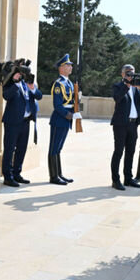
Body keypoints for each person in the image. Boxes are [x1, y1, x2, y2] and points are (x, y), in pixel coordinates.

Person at [110, 65, 140, 190]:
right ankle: (115, 180)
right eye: (128, 74)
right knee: (118, 152)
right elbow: (117, 98)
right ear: (122, 74)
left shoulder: (136, 88)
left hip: (133, 124)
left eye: (132, 74)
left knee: (130, 152)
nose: (130, 76)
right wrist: (126, 85)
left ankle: (128, 178)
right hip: (120, 124)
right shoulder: (118, 86)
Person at [1, 70, 42, 187]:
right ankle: (8, 177)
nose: (21, 76)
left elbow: (39, 96)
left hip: (25, 122)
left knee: (21, 149)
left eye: (22, 74)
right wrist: (14, 83)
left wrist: (32, 87)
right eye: (19, 73)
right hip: (12, 122)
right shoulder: (10, 84)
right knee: (9, 149)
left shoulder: (27, 85)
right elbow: (6, 96)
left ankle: (17, 173)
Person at [48, 54, 81, 185]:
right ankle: (53, 176)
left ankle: (59, 174)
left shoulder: (69, 83)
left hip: (67, 119)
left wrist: (77, 112)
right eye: (68, 65)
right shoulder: (58, 84)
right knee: (54, 148)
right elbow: (57, 106)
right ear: (61, 68)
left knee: (59, 148)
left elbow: (73, 102)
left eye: (71, 65)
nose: (71, 67)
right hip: (59, 119)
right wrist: (71, 115)